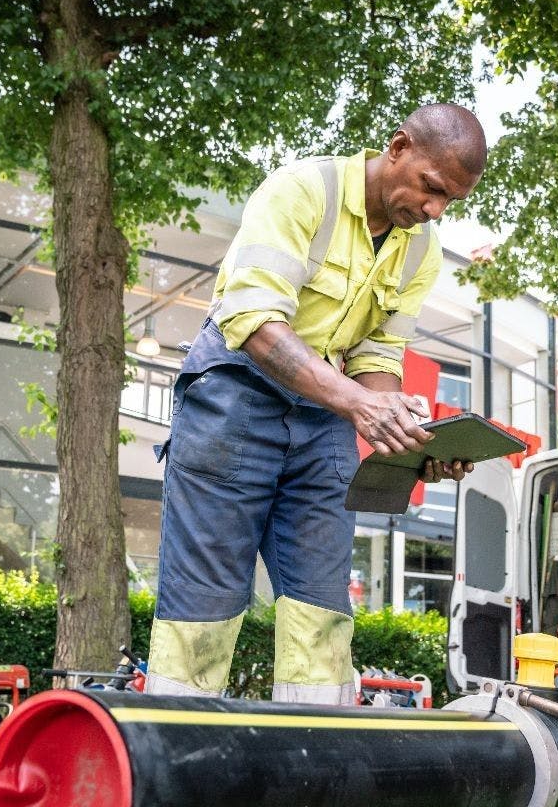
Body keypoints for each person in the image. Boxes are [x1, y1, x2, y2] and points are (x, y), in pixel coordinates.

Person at [146, 104, 486, 704]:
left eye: (450, 202)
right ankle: (177, 768)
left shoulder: (418, 249)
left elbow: (378, 357)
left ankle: (310, 774)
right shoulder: (301, 191)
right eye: (432, 188)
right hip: (233, 396)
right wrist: (359, 405)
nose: (435, 210)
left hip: (325, 414)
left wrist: (406, 434)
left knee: (321, 608)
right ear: (398, 147)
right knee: (203, 607)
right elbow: (252, 319)